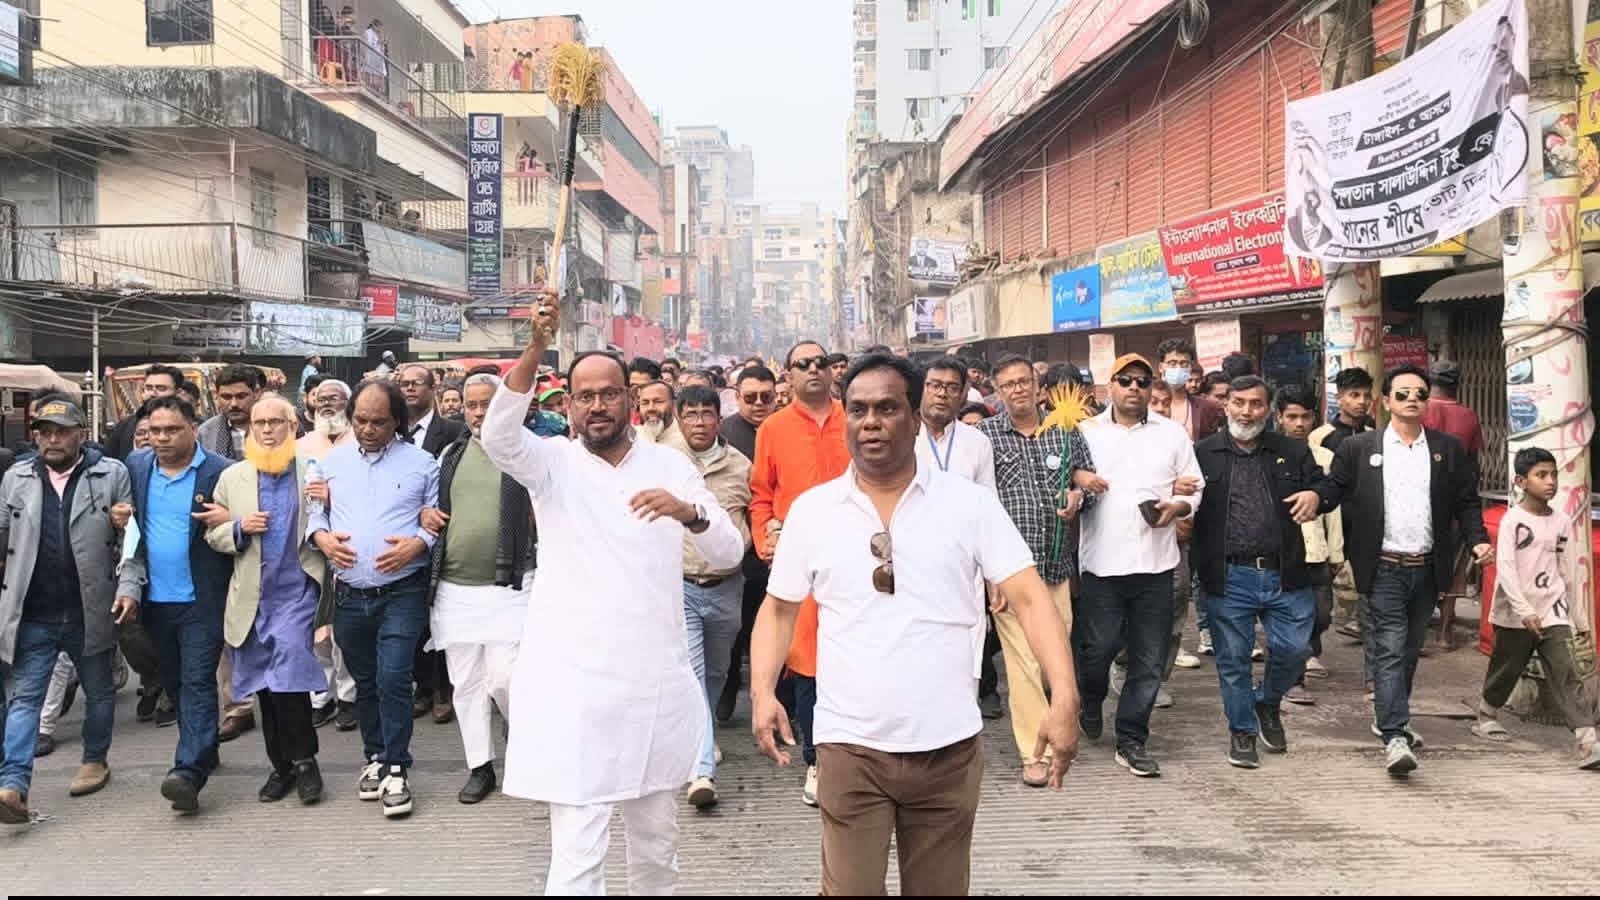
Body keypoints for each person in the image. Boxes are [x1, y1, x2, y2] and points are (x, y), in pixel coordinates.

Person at [750, 353, 1080, 896]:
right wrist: (763, 691)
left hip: (948, 746)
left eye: (887, 408)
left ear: (915, 415)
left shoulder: (968, 505)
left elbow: (1029, 597)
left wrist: (1064, 696)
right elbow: (779, 608)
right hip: (849, 746)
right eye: (858, 410)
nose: (871, 422)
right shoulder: (813, 511)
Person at [480, 300, 742, 896]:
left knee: (656, 848)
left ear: (631, 399)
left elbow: (729, 551)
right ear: (569, 405)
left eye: (608, 394)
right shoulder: (550, 463)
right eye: (585, 396)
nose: (597, 405)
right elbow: (497, 435)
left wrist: (690, 513)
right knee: (578, 850)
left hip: (652, 686)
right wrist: (535, 349)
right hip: (575, 689)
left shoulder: (670, 467)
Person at [1315, 365, 1490, 776]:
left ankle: (1390, 715)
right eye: (1404, 393)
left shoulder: (1446, 449)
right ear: (1386, 402)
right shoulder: (1359, 448)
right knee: (1391, 647)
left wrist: (1478, 539)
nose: (1413, 399)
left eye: (1420, 393)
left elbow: (1467, 501)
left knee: (1409, 650)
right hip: (1383, 566)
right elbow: (1334, 489)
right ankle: (1394, 734)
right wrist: (1311, 498)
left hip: (1427, 566)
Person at [0, 399, 140, 823]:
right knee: (25, 698)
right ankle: (13, 784)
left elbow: (132, 542)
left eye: (61, 431)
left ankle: (95, 759)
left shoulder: (110, 474)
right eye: (44, 432)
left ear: (81, 434)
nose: (52, 439)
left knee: (98, 691)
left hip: (89, 607)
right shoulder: (17, 477)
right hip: (34, 611)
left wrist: (129, 588)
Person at [308, 379, 439, 817]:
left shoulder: (423, 464)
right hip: (349, 593)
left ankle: (398, 767)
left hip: (402, 591)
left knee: (393, 677)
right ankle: (375, 756)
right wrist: (323, 539)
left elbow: (437, 522)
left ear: (397, 421)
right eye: (360, 420)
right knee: (365, 682)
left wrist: (418, 543)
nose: (367, 429)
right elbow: (316, 518)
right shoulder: (331, 464)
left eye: (379, 422)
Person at [1075, 354, 1204, 778]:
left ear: (1152, 388)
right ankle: (1090, 698)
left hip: (1155, 565)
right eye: (1126, 380)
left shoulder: (1171, 434)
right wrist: (1078, 482)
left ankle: (1131, 739)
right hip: (1101, 565)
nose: (1134, 388)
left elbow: (1194, 485)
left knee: (1148, 660)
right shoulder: (1085, 432)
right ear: (1109, 386)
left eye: (1142, 382)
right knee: (1098, 651)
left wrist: (1178, 506)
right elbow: (1065, 478)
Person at [200, 395, 329, 806]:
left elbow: (331, 519)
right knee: (265, 686)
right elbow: (212, 533)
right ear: (250, 429)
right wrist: (239, 527)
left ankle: (305, 763)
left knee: (289, 676)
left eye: (277, 422)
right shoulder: (233, 477)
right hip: (251, 596)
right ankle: (281, 766)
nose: (268, 429)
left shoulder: (312, 471)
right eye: (261, 423)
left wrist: (328, 500)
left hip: (296, 591)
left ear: (293, 426)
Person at [1191, 377, 1324, 769]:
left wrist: (1316, 495)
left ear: (1268, 410)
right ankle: (1242, 731)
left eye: (1255, 404)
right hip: (1229, 575)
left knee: (1295, 649)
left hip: (1285, 573)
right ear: (1226, 405)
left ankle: (1267, 702)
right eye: (1239, 402)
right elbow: (1182, 499)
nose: (1246, 412)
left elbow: (1327, 487)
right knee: (1233, 660)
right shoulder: (1202, 453)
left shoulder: (1291, 451)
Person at [978, 355, 1096, 785]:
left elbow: (1089, 483)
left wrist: (1079, 498)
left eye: (1023, 381)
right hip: (1010, 571)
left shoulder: (1065, 430)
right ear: (996, 390)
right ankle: (1034, 751)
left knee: (1052, 656)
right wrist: (987, 572)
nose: (1017, 389)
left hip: (1056, 564)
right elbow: (975, 503)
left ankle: (1056, 717)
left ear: (1037, 384)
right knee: (1023, 662)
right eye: (1008, 384)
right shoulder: (985, 437)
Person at [424, 374, 536, 805]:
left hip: (511, 586)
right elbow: (431, 505)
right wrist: (426, 514)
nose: (477, 412)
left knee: (506, 677)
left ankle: (524, 741)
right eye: (470, 405)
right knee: (466, 683)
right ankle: (480, 766)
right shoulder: (450, 454)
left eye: (486, 404)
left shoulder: (524, 452)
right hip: (455, 588)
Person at [749, 341, 851, 807]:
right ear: (787, 375)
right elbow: (761, 496)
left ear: (832, 371)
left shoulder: (855, 417)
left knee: (855, 656)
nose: (813, 369)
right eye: (802, 364)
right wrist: (765, 541)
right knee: (807, 663)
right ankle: (816, 760)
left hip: (858, 560)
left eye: (820, 362)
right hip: (801, 565)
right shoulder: (773, 428)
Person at [124, 396, 234, 813]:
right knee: (174, 682)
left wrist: (230, 520)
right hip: (155, 599)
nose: (162, 438)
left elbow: (243, 523)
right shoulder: (137, 467)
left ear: (193, 428)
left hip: (202, 598)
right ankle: (204, 747)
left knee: (198, 681)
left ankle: (187, 772)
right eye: (155, 431)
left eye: (172, 430)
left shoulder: (221, 472)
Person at [1472, 448, 1600, 769]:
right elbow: (1506, 569)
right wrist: (1523, 609)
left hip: (1553, 608)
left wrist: (1579, 619)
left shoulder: (1562, 521)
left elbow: (1568, 572)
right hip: (1515, 611)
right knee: (1507, 666)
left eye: (1553, 474)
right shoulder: (1512, 520)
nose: (1550, 481)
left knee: (1566, 670)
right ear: (1521, 481)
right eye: (1541, 475)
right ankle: (1487, 713)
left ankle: (1586, 740)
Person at [660, 385, 752, 809]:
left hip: (726, 585)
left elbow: (754, 514)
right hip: (680, 584)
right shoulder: (665, 463)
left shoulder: (740, 466)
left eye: (706, 414)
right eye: (691, 414)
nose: (699, 422)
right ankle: (701, 771)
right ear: (679, 418)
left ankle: (703, 731)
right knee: (694, 674)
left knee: (717, 670)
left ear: (719, 418)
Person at [918, 360, 1004, 721]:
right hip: (912, 568)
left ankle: (960, 731)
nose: (942, 394)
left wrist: (994, 573)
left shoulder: (977, 443)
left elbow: (989, 506)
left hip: (964, 570)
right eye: (935, 385)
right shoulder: (901, 436)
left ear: (963, 394)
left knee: (966, 659)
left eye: (952, 387)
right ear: (921, 388)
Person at [197, 365, 267, 742]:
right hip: (226, 541)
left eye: (241, 395)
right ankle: (237, 706)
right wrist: (232, 521)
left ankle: (286, 694)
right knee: (230, 624)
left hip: (272, 540)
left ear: (257, 392)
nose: (234, 403)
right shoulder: (207, 433)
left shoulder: (276, 425)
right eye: (226, 397)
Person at [396, 364, 467, 723]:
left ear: (433, 389)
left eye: (416, 384)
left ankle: (444, 689)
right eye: (403, 384)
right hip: (400, 539)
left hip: (442, 535)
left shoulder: (453, 432)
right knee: (412, 618)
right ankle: (422, 687)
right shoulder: (391, 432)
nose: (409, 389)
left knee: (439, 616)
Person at [1273, 386, 1345, 704]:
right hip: (1281, 551)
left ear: (1314, 418)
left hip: (1316, 549)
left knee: (1322, 614)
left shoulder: (1325, 458)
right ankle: (1293, 679)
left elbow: (1333, 509)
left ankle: (1308, 652)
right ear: (1279, 418)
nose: (1299, 424)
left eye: (1305, 417)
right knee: (1288, 616)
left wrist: (1336, 551)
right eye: (1292, 417)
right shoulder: (1269, 454)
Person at [715, 364, 778, 722]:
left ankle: (772, 698)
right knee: (735, 630)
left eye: (766, 397)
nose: (758, 404)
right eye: (750, 397)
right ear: (737, 397)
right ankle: (727, 689)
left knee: (772, 629)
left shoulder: (783, 429)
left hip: (778, 546)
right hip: (738, 549)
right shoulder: (724, 433)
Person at [104, 365, 185, 461]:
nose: (153, 394)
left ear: (178, 393)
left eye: (161, 388)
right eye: (149, 388)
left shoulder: (189, 424)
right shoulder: (126, 425)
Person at [1156, 339, 1225, 441]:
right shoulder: (1147, 405)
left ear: (1190, 368)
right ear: (1161, 367)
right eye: (1172, 363)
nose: (1178, 368)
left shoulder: (1206, 408)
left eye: (1184, 364)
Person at [1309, 367, 1375, 454]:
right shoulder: (1318, 437)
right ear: (1338, 398)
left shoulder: (1374, 435)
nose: (1362, 401)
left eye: (1367, 396)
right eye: (1355, 395)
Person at [299, 379, 355, 462]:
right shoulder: (303, 444)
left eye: (333, 399)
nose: (326, 404)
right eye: (321, 400)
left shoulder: (360, 441)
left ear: (348, 402)